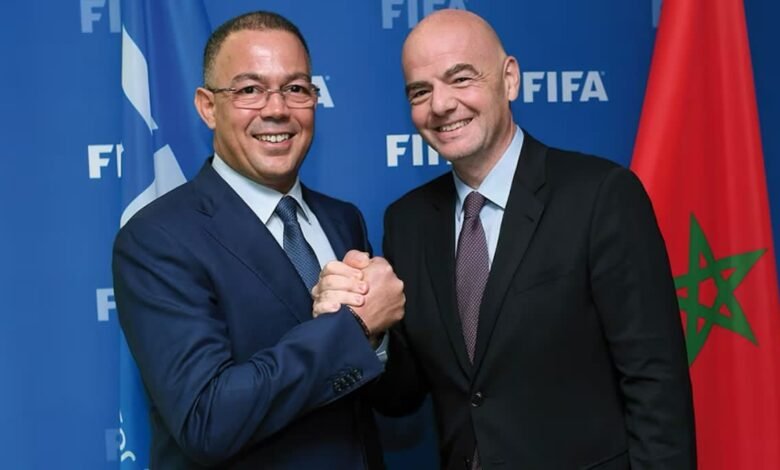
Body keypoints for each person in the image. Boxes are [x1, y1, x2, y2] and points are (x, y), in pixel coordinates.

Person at [313, 9, 696, 469]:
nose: (441, 105)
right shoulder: (407, 222)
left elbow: (656, 384)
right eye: (420, 91)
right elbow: (403, 395)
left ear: (509, 79)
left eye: (460, 78)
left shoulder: (600, 196)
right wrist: (368, 332)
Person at [112, 11, 404, 469]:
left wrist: (379, 337)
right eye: (250, 90)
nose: (277, 109)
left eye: (296, 88)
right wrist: (355, 327)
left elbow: (382, 396)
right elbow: (207, 420)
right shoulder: (156, 238)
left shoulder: (342, 219)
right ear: (208, 106)